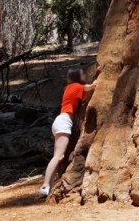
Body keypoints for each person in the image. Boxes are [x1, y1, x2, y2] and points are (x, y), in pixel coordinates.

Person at [40, 67, 97, 197]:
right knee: (58, 156)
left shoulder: (71, 88)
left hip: (61, 122)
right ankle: (45, 185)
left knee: (58, 156)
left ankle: (49, 184)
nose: (85, 75)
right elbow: (89, 87)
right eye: (83, 74)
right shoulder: (74, 86)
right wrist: (95, 83)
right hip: (63, 122)